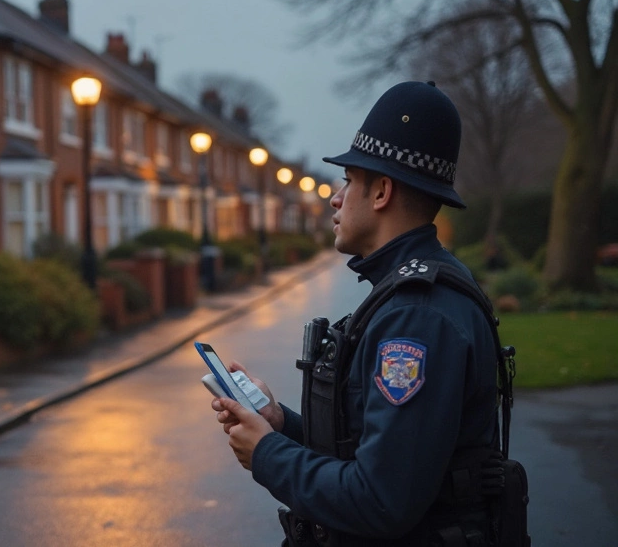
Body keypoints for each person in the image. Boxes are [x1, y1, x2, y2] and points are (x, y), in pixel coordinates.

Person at [211, 81, 505, 546]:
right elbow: (373, 446)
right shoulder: (408, 294)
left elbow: (381, 499)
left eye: (348, 180)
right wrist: (281, 424)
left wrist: (267, 455)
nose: (335, 198)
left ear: (382, 192)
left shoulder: (417, 318)